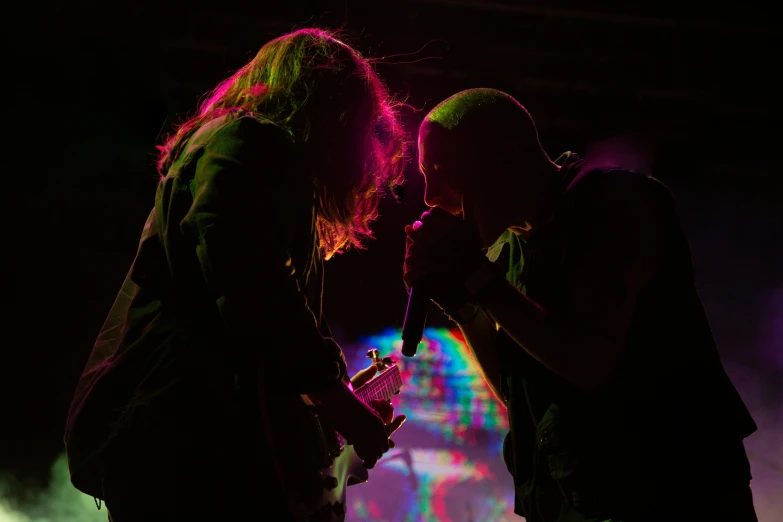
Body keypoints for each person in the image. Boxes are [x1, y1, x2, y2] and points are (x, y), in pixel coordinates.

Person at [64, 28, 407, 522]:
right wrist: (338, 403)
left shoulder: (253, 153)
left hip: (196, 446)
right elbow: (256, 293)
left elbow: (252, 331)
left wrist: (322, 414)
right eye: (361, 126)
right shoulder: (247, 141)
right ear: (334, 112)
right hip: (187, 446)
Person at [403, 88, 758, 522]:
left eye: (438, 170)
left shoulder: (616, 204)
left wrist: (479, 279)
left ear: (506, 156)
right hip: (576, 502)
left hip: (668, 495)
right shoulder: (511, 253)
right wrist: (463, 305)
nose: (429, 196)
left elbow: (588, 361)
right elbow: (518, 389)